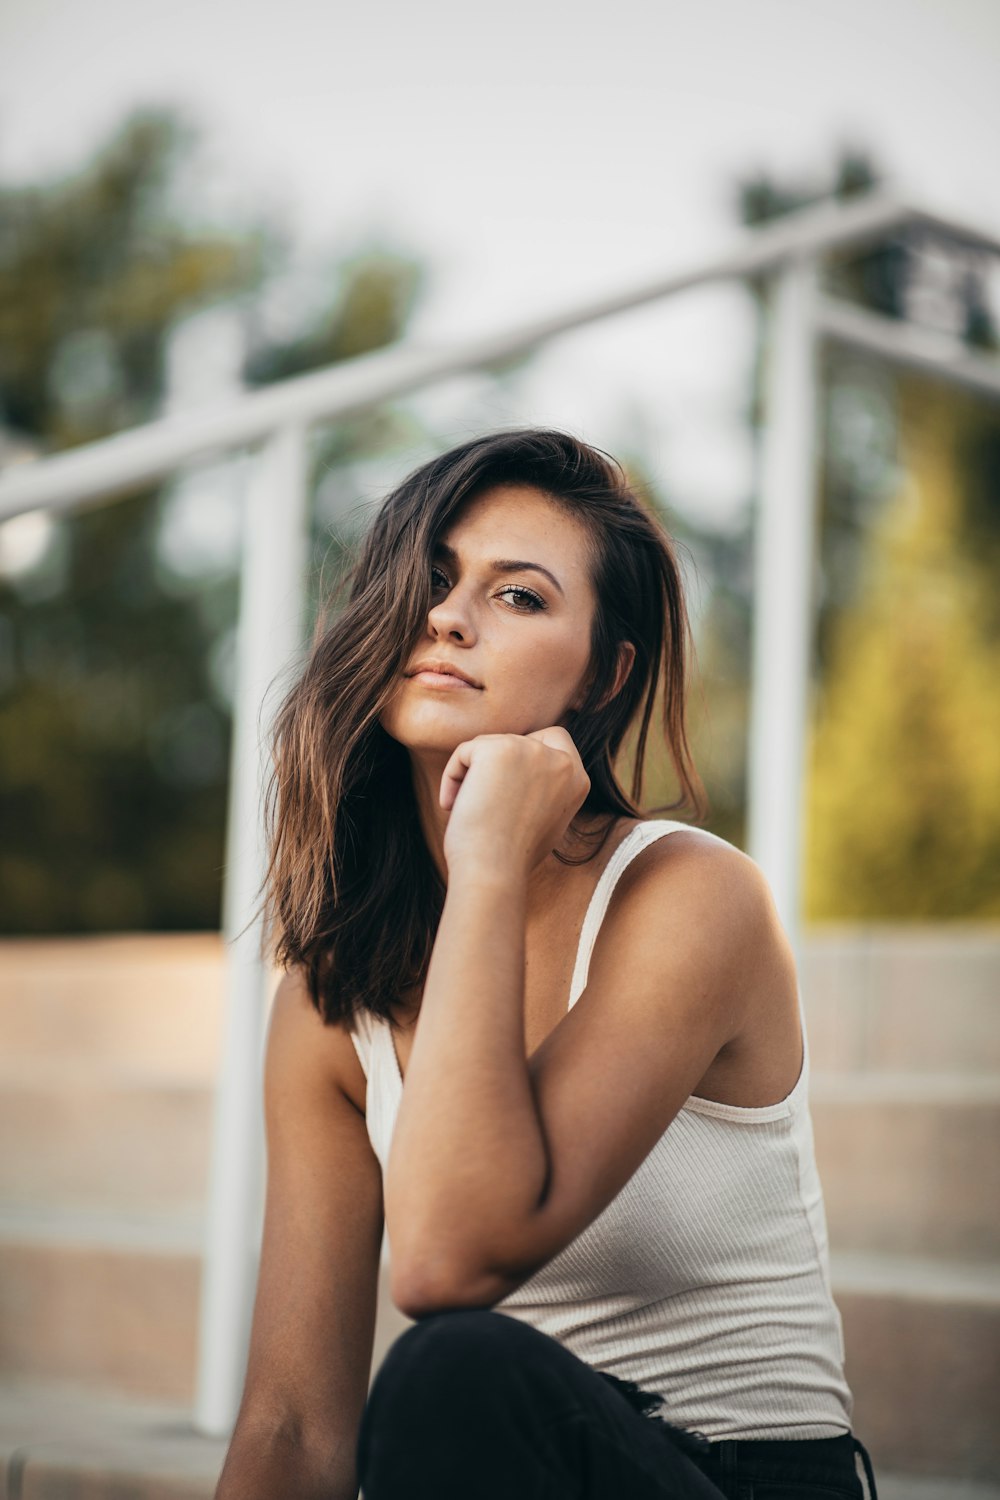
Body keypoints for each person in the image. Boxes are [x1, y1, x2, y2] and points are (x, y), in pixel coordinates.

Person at [214, 428, 877, 1500]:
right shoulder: (336, 1000)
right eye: (430, 579)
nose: (445, 615)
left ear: (600, 675)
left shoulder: (689, 899)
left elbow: (444, 1264)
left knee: (453, 1372)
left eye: (517, 597)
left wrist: (487, 868)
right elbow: (293, 1425)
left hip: (742, 1481)